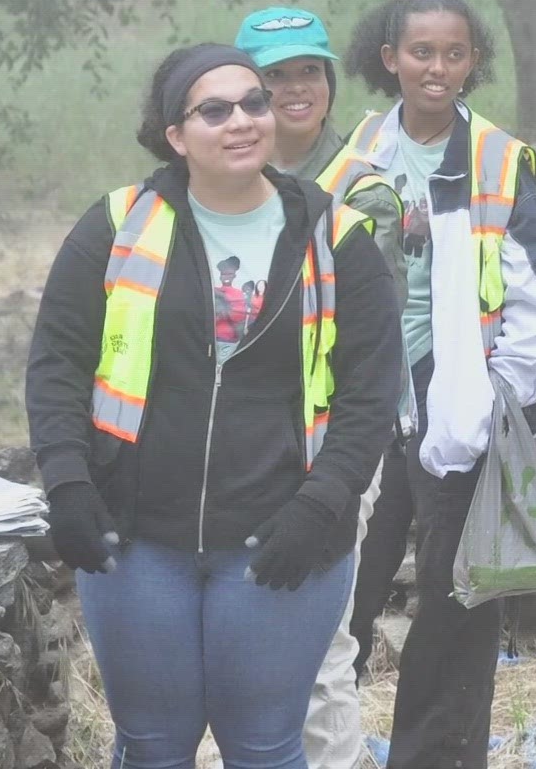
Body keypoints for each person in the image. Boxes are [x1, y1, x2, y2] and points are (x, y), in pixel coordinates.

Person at [26, 43, 403, 766]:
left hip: (282, 538)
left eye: (253, 103)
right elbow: (56, 365)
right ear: (176, 134)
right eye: (215, 109)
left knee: (264, 747)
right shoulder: (116, 225)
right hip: (137, 543)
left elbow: (369, 396)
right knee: (154, 748)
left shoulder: (338, 237)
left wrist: (322, 506)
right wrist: (68, 481)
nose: (242, 121)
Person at [341, 0, 536, 768]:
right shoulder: (362, 148)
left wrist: (493, 395)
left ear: (474, 61)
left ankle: (435, 755)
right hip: (371, 395)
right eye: (420, 53)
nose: (435, 68)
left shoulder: (500, 160)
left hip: (461, 399)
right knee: (346, 587)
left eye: (453, 53)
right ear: (389, 59)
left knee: (456, 600)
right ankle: (319, 742)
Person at [232, 5, 408, 769]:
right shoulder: (218, 180)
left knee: (321, 642)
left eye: (309, 72)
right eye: (275, 76)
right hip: (230, 444)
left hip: (331, 440)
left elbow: (372, 347)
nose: (295, 89)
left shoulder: (361, 192)